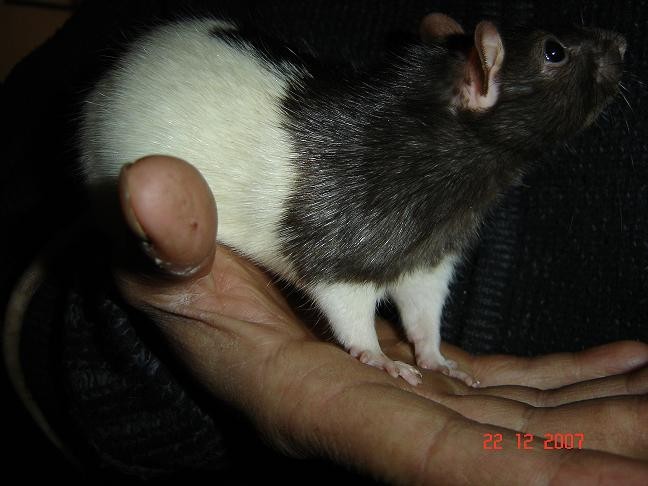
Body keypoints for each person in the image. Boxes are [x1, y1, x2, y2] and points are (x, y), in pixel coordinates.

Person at [2, 0, 647, 483]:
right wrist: (366, 348)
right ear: (478, 84)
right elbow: (332, 258)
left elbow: (426, 260)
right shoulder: (378, 171)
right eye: (556, 56)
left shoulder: (457, 182)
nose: (612, 47)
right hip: (142, 134)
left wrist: (426, 345)